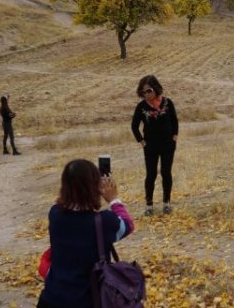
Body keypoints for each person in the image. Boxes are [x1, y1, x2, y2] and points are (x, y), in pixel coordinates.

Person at [37, 159, 134, 308]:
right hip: (88, 301)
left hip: (52, 299)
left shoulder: (55, 214)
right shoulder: (103, 222)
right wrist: (114, 200)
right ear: (95, 187)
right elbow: (128, 224)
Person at [131, 75, 179, 216]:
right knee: (151, 174)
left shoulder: (167, 103)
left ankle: (166, 203)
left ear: (156, 89)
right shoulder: (141, 107)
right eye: (143, 92)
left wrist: (174, 137)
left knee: (166, 172)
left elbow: (175, 121)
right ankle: (149, 205)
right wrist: (142, 142)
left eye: (149, 90)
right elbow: (134, 126)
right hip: (150, 146)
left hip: (167, 145)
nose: (146, 94)